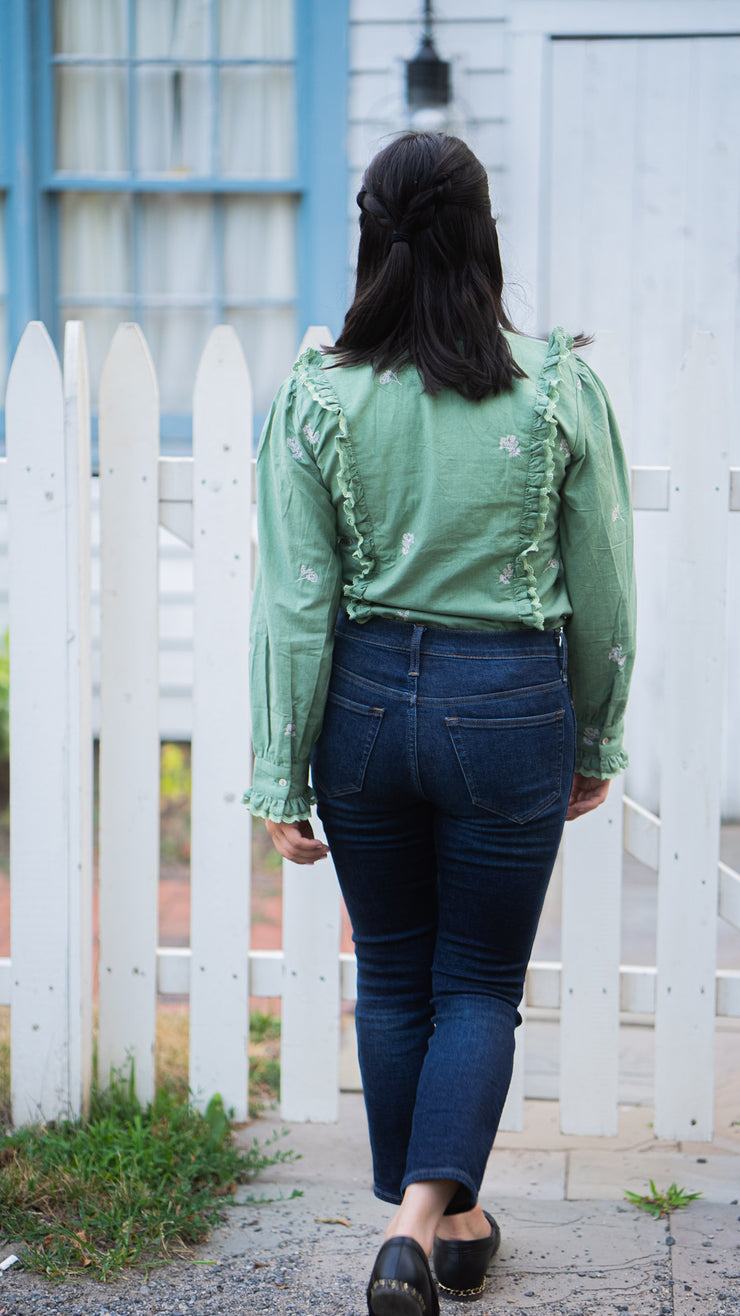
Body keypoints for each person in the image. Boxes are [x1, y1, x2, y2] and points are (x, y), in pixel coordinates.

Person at [244, 132, 635, 1316]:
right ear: (482, 232)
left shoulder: (316, 394)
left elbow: (294, 604)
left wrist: (278, 771)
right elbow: (605, 585)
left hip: (362, 707)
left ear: (370, 232)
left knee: (395, 980)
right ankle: (420, 1226)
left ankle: (446, 1222)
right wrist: (595, 734)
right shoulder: (558, 385)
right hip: (506, 703)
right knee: (475, 984)